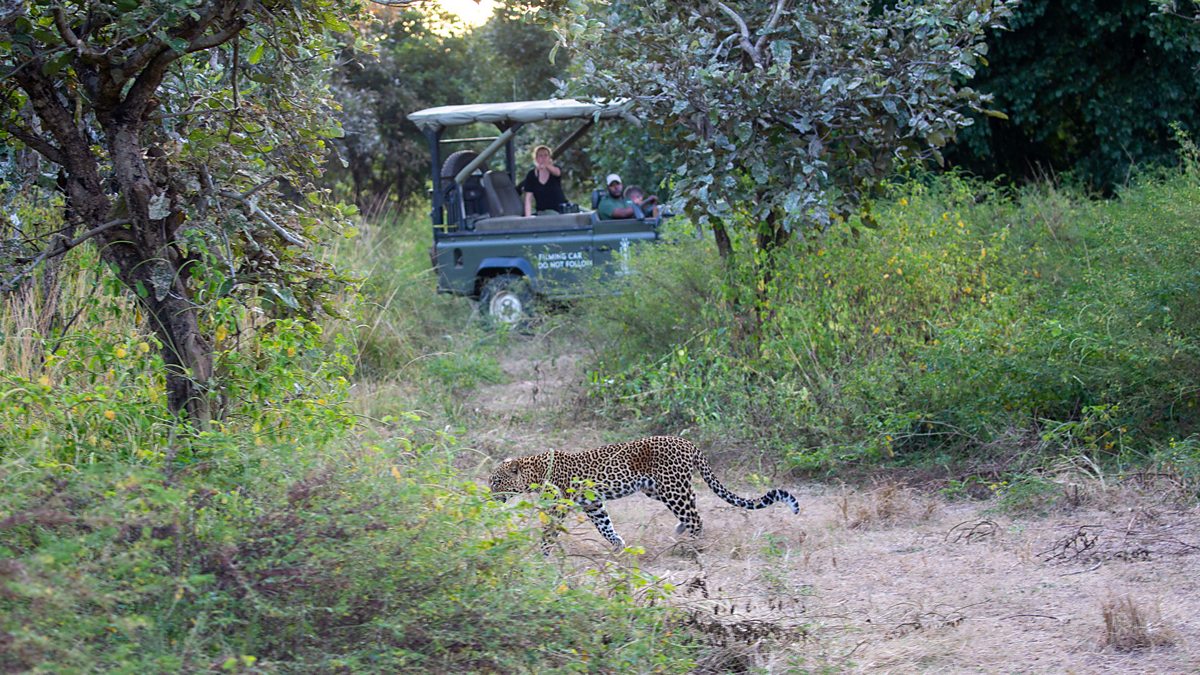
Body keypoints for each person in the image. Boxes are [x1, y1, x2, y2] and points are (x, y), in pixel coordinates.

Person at [519, 145, 567, 217]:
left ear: (549, 157)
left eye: (546, 155)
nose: (543, 158)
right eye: (540, 156)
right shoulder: (531, 175)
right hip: (543, 212)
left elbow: (557, 173)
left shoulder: (555, 169)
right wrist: (527, 218)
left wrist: (546, 165)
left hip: (561, 210)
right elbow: (528, 198)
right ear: (536, 158)